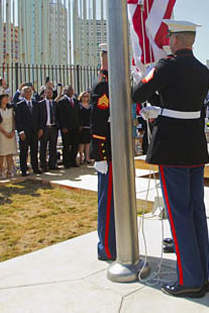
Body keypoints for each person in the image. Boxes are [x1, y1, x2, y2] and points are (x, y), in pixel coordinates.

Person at [132, 19, 209, 298]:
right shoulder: (203, 71)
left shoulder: (166, 66)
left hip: (173, 148)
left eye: (169, 37)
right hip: (194, 147)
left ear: (176, 41)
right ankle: (202, 273)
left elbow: (137, 93)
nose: (167, 40)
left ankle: (190, 279)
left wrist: (146, 76)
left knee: (179, 213)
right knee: (195, 211)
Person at [90, 43, 116, 261]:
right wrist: (100, 156)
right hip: (107, 152)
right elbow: (98, 124)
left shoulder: (114, 82)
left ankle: (116, 243)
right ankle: (106, 248)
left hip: (117, 151)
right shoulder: (103, 86)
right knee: (107, 203)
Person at [15, 85, 42, 176]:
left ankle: (35, 168)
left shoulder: (36, 104)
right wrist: (21, 132)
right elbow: (18, 120)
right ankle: (23, 169)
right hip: (24, 133)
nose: (28, 93)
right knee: (24, 151)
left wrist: (40, 129)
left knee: (34, 151)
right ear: (22, 93)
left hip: (34, 132)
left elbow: (39, 118)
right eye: (26, 92)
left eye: (29, 92)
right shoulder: (19, 105)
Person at [57, 86, 81, 169]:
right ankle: (66, 162)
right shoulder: (62, 102)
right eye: (69, 90)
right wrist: (63, 126)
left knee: (75, 145)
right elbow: (61, 115)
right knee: (66, 145)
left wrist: (79, 125)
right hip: (66, 128)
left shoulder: (75, 101)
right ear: (65, 91)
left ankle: (72, 161)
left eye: (72, 90)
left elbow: (78, 114)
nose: (71, 91)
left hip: (75, 127)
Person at [38, 87, 60, 171]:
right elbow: (39, 117)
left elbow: (57, 115)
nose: (49, 94)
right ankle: (43, 165)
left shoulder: (55, 104)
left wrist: (57, 125)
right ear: (44, 94)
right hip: (44, 128)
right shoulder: (40, 104)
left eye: (50, 92)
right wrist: (40, 129)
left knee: (53, 147)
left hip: (53, 128)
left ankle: (52, 164)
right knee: (43, 147)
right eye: (47, 92)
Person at [0, 94, 18, 179]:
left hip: (11, 131)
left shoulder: (10, 109)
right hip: (2, 133)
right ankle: (2, 170)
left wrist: (12, 130)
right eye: (4, 98)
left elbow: (13, 120)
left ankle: (10, 169)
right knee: (2, 152)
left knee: (10, 152)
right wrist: (5, 132)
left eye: (7, 98)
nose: (6, 99)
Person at [77, 91, 92, 165]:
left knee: (88, 143)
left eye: (86, 96)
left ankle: (87, 157)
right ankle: (81, 158)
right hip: (82, 127)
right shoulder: (79, 106)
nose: (85, 98)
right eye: (84, 96)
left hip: (88, 126)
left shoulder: (90, 106)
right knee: (81, 143)